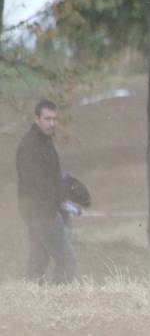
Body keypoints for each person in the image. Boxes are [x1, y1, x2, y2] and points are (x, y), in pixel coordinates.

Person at [16, 99, 76, 284]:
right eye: (47, 119)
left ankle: (33, 302)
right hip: (42, 211)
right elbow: (35, 183)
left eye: (54, 119)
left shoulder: (44, 142)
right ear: (37, 119)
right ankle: (59, 302)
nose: (51, 123)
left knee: (39, 259)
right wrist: (57, 203)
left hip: (39, 210)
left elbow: (50, 177)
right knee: (66, 260)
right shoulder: (30, 146)